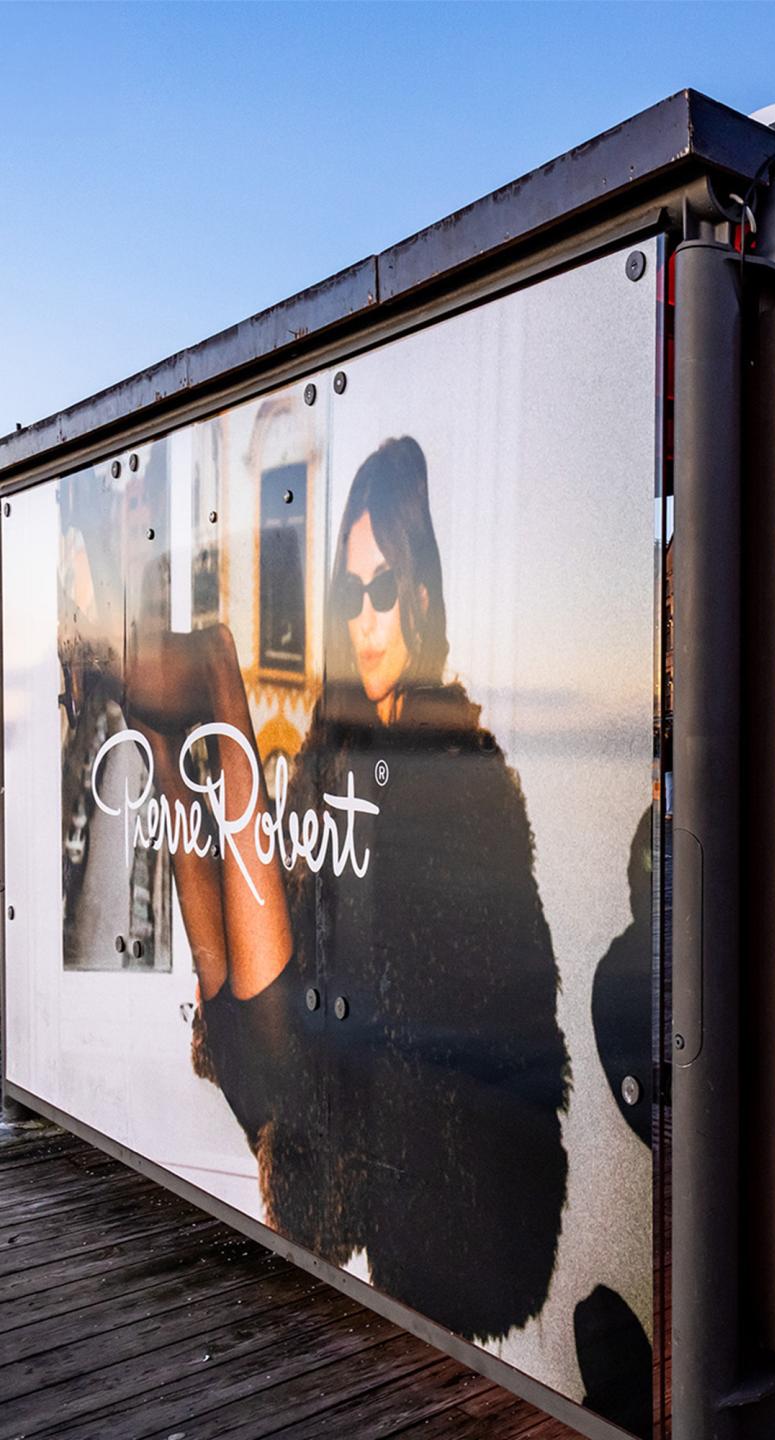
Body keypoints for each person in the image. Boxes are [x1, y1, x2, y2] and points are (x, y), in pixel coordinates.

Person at [125, 435, 570, 1343]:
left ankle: (216, 683)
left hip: (449, 1157)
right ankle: (175, 744)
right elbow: (312, 923)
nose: (363, 621)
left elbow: (475, 1022)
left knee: (264, 1049)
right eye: (348, 595)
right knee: (245, 1031)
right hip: (346, 1068)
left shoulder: (462, 775)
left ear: (418, 597)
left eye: (382, 592)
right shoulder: (338, 746)